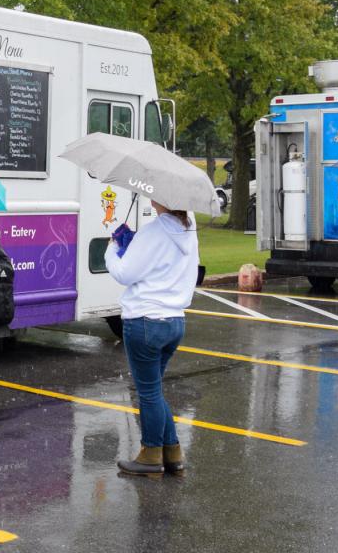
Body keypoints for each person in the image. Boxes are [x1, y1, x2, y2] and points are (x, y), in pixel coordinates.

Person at [104, 200, 199, 477]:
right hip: (175, 320)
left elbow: (124, 273)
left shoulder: (153, 231)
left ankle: (150, 456)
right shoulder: (189, 228)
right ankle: (172, 452)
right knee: (154, 390)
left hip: (145, 320)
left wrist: (112, 248)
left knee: (148, 393)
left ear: (162, 199)